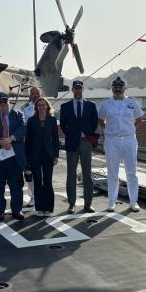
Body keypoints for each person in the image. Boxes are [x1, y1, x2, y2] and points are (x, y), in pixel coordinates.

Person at [98, 76, 144, 212]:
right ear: (111, 88)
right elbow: (101, 120)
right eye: (115, 85)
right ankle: (112, 202)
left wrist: (130, 129)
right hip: (112, 140)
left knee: (132, 172)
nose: (118, 88)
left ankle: (133, 201)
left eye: (121, 85)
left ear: (125, 88)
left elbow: (140, 119)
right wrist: (109, 130)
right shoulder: (106, 104)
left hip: (129, 140)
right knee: (112, 172)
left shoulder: (132, 103)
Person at [0, 92, 27, 220]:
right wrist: (1, 141)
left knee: (16, 185)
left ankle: (17, 210)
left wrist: (10, 139)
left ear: (9, 103)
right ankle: (0, 210)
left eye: (5, 102)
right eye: (0, 102)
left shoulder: (18, 114)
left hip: (14, 157)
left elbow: (23, 128)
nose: (3, 105)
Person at [59, 80, 99, 214]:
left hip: (86, 142)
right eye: (75, 88)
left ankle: (88, 203)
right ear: (72, 90)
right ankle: (71, 203)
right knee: (71, 173)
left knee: (87, 173)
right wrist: (72, 134)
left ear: (82, 90)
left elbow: (94, 124)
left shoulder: (91, 105)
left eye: (79, 88)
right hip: (72, 142)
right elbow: (63, 125)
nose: (78, 91)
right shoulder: (65, 107)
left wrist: (85, 134)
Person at [25, 97, 60, 217]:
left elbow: (55, 139)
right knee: (38, 181)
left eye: (43, 105)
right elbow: (28, 141)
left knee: (48, 181)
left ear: (47, 106)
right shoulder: (31, 121)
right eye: (39, 105)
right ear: (36, 107)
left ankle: (49, 208)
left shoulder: (52, 120)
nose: (41, 107)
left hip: (48, 155)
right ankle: (40, 208)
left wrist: (56, 155)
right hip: (35, 155)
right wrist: (27, 159)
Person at [20, 86, 41, 207]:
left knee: (42, 171)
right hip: (29, 143)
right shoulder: (25, 109)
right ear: (30, 95)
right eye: (33, 93)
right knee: (29, 172)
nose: (35, 95)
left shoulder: (46, 106)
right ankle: (32, 196)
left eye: (37, 93)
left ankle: (41, 195)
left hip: (42, 144)